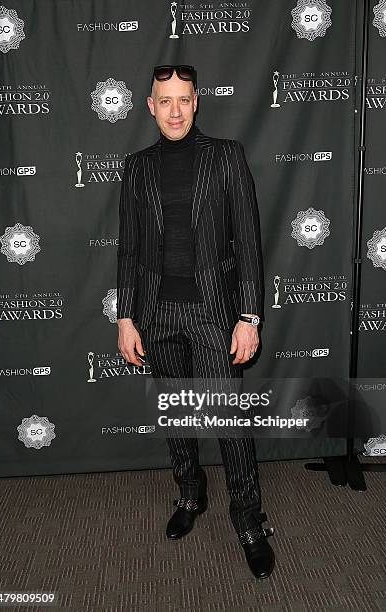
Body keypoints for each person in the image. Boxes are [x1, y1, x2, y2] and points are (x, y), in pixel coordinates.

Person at [117, 64, 275, 579]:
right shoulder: (136, 167)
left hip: (214, 313)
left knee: (228, 424)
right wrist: (125, 316)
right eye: (165, 101)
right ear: (150, 105)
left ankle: (249, 521)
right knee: (177, 415)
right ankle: (191, 494)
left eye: (183, 99)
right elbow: (129, 248)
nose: (175, 110)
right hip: (156, 314)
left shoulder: (225, 156)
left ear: (197, 101)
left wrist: (249, 315)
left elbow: (249, 244)